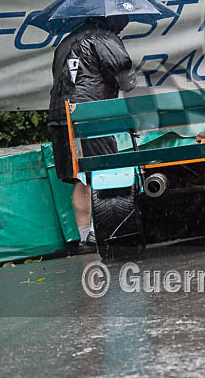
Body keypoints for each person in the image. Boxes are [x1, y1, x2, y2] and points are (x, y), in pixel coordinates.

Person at [48, 15, 136, 254]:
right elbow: (124, 76)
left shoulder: (65, 42)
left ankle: (86, 236)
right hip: (90, 114)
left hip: (60, 116)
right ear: (114, 22)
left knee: (82, 177)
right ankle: (107, 232)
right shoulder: (104, 38)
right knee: (103, 173)